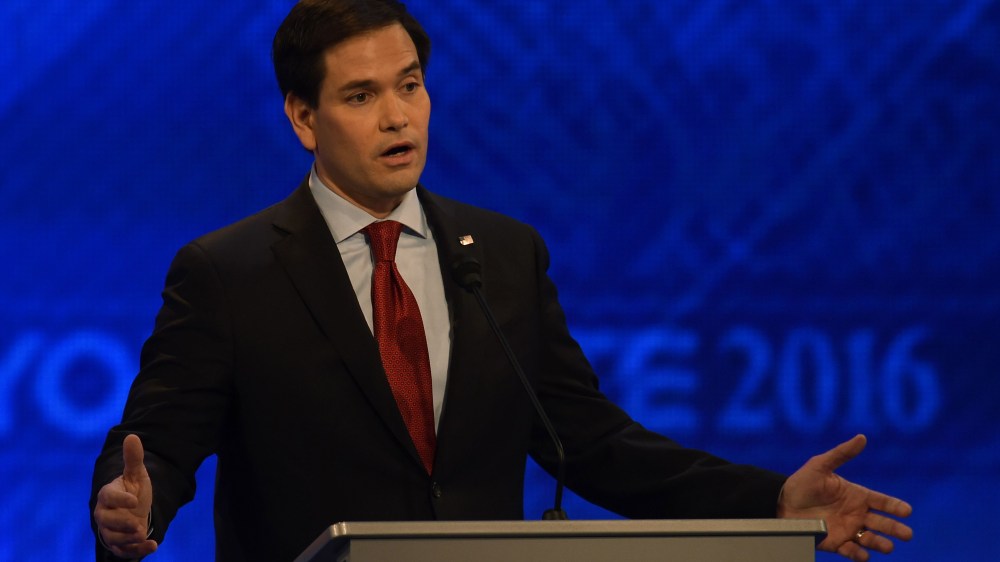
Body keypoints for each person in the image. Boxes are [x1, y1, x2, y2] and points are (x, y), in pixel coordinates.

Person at [90, 1, 913, 561]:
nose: (397, 116)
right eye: (361, 96)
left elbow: (591, 443)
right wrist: (133, 510)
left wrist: (772, 504)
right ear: (304, 118)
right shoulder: (231, 273)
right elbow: (158, 446)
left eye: (410, 85)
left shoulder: (504, 255)